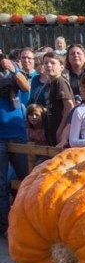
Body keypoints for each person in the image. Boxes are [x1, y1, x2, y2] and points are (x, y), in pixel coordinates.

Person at [0, 52, 30, 237]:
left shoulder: (12, 68)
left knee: (26, 180)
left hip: (17, 133)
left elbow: (26, 87)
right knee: (1, 185)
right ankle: (6, 227)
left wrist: (13, 70)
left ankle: (28, 222)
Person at [41, 52, 75, 146]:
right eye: (46, 63)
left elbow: (69, 107)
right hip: (51, 128)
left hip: (60, 130)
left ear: (61, 67)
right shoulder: (49, 84)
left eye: (52, 63)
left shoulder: (60, 82)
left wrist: (61, 130)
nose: (48, 65)